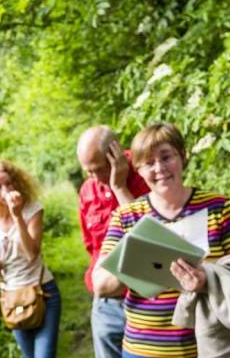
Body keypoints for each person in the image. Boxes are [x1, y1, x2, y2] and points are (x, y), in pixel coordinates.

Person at [92, 123, 230, 358]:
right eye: (149, 163)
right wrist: (140, 262)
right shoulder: (126, 216)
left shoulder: (221, 209)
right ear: (138, 169)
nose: (159, 168)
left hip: (216, 348)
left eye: (166, 157)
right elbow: (100, 283)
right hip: (143, 351)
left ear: (182, 156)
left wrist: (207, 279)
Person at [0, 160, 61, 358]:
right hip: (12, 299)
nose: (5, 190)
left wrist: (17, 217)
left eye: (9, 183)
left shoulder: (32, 209)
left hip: (42, 292)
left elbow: (32, 253)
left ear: (18, 183)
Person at [76, 126, 150, 358]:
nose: (95, 178)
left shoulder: (147, 173)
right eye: (88, 172)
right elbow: (91, 245)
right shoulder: (88, 190)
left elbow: (150, 235)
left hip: (147, 301)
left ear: (116, 154)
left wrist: (119, 187)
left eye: (99, 170)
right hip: (107, 305)